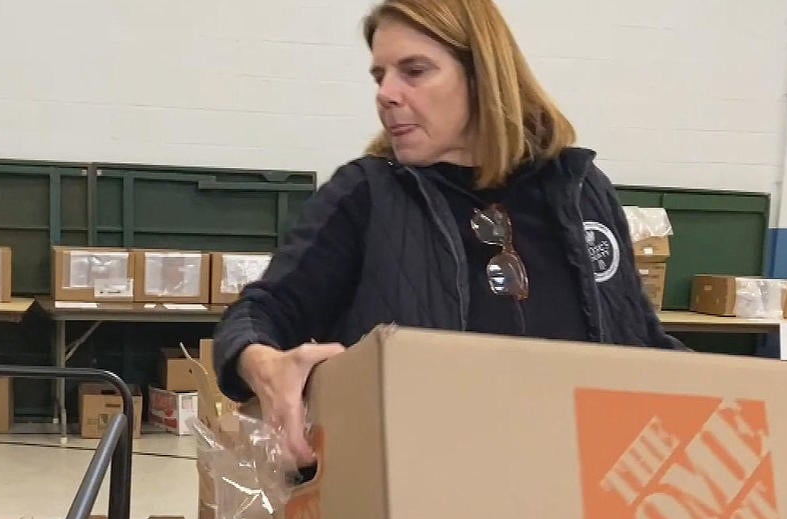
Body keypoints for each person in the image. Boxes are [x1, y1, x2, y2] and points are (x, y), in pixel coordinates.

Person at [214, 0, 682, 465]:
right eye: (380, 76)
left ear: (483, 75)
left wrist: (743, 395)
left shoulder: (580, 189)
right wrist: (262, 365)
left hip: (582, 494)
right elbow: (260, 312)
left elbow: (640, 340)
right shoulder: (366, 196)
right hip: (425, 500)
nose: (386, 94)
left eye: (413, 71)